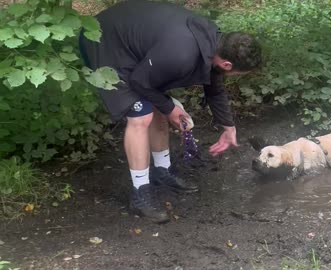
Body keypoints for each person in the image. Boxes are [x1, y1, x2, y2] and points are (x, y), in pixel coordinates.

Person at [78, 0, 262, 223]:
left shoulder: (213, 44)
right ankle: (140, 193)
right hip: (105, 40)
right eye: (239, 74)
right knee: (142, 115)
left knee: (160, 104)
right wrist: (169, 109)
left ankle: (162, 172)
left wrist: (228, 127)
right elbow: (140, 81)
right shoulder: (182, 53)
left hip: (138, 47)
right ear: (228, 65)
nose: (234, 77)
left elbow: (214, 87)